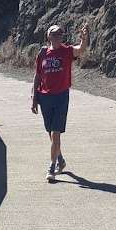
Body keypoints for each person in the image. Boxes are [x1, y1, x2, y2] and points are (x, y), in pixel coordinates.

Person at [32, 21, 89, 182]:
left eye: (60, 34)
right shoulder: (42, 53)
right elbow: (37, 76)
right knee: (50, 132)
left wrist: (84, 39)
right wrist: (34, 98)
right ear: (48, 36)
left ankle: (52, 167)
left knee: (56, 132)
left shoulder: (66, 51)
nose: (58, 37)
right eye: (54, 34)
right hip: (44, 97)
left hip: (61, 96)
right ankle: (61, 159)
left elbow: (81, 49)